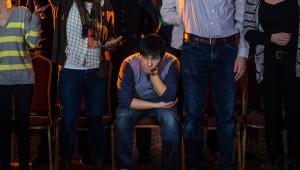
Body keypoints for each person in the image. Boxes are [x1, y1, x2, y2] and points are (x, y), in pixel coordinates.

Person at [48, 0, 120, 169]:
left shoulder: (104, 5)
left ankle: (98, 159)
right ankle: (66, 160)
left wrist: (109, 46)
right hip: (71, 70)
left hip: (96, 70)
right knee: (69, 119)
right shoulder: (65, 3)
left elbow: (111, 35)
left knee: (95, 117)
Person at [179, 0, 249, 169]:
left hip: (227, 49)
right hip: (195, 47)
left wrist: (242, 52)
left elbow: (242, 14)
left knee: (226, 113)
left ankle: (226, 164)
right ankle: (194, 164)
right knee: (193, 113)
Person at [243, 0, 300, 169]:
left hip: (295, 65)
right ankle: (275, 158)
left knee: (295, 115)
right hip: (268, 64)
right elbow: (247, 31)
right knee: (272, 114)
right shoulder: (253, 1)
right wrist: (270, 37)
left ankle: (295, 159)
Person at [115, 34, 180, 170]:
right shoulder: (128, 63)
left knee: (171, 119)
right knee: (122, 117)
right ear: (140, 54)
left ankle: (170, 166)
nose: (149, 63)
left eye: (155, 58)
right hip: (136, 102)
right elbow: (125, 101)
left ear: (162, 57)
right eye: (146, 57)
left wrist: (154, 74)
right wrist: (157, 105)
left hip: (162, 102)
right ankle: (125, 166)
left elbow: (169, 98)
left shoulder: (171, 62)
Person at [110, 0, 160, 163]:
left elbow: (154, 20)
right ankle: (113, 151)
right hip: (113, 52)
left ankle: (144, 151)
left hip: (136, 50)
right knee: (115, 101)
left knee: (141, 95)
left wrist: (144, 38)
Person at [0, 0, 41, 169]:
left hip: (24, 78)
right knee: (3, 124)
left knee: (22, 123)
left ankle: (25, 164)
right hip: (1, 80)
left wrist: (36, 19)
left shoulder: (22, 12)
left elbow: (32, 43)